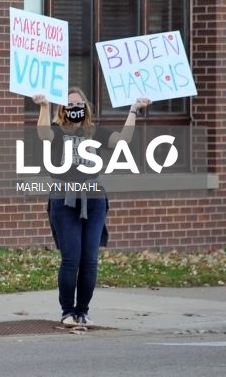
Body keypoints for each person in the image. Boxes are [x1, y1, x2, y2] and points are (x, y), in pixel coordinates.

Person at [33, 87, 151, 327]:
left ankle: (82, 311)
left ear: (85, 108)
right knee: (71, 258)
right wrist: (44, 106)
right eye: (70, 105)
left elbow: (122, 141)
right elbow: (43, 133)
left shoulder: (93, 131)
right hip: (63, 198)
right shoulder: (56, 131)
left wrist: (133, 111)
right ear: (62, 109)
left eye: (79, 105)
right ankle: (67, 311)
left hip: (94, 199)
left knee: (89, 260)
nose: (75, 109)